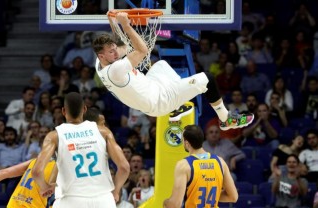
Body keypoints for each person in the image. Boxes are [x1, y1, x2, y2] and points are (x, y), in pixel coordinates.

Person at [93, 12, 253, 130]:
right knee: (208, 79)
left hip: (151, 91)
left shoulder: (100, 64)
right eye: (111, 52)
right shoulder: (115, 70)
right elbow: (141, 51)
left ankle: (177, 105)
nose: (115, 53)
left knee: (160, 65)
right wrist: (126, 26)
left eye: (113, 50)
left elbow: (121, 47)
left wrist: (113, 23)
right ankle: (225, 119)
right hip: (160, 101)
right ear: (102, 55)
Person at [32, 92, 130, 208]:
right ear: (84, 109)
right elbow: (124, 168)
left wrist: (45, 188)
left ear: (63, 111)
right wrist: (116, 190)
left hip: (70, 200)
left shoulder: (54, 136)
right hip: (103, 200)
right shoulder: (104, 132)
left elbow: (37, 171)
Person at [163, 125, 238, 208]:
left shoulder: (184, 165)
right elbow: (233, 197)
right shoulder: (220, 162)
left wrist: (165, 203)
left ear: (186, 143)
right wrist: (208, 196)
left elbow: (175, 205)